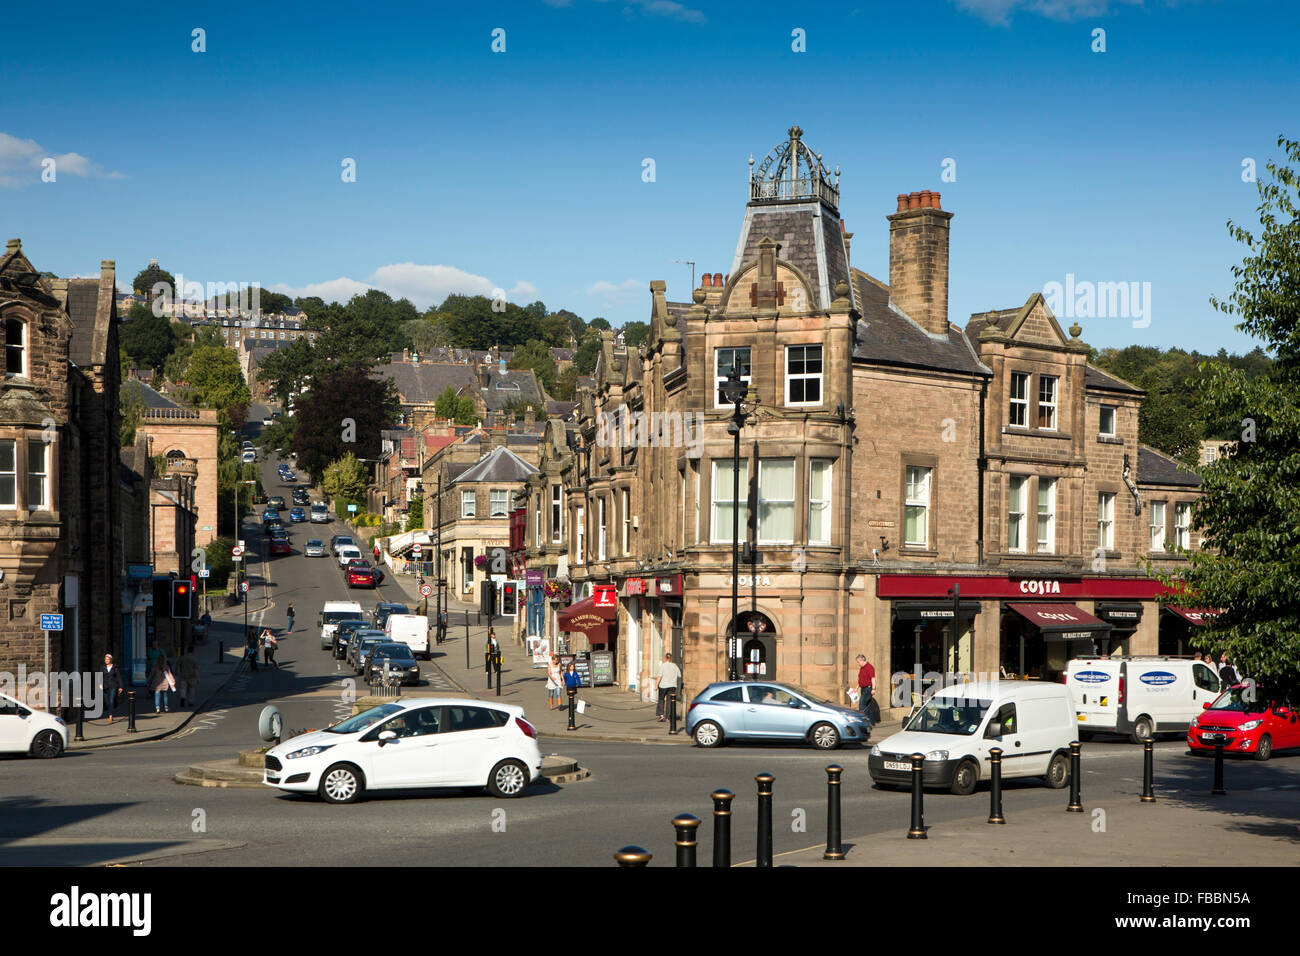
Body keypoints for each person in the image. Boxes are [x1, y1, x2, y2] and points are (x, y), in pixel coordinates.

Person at [655, 653, 681, 722]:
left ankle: (661, 715)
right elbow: (679, 675)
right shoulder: (675, 666)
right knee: (669, 701)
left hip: (663, 685)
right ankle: (668, 717)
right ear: (671, 658)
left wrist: (656, 685)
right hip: (672, 686)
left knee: (661, 699)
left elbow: (659, 676)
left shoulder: (663, 666)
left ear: (665, 658)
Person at [100, 653, 124, 724]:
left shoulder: (115, 667)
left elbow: (119, 677)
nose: (106, 660)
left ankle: (110, 715)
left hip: (113, 686)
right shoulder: (102, 667)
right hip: (105, 686)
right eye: (105, 659)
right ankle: (112, 709)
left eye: (108, 659)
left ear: (111, 660)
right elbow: (100, 676)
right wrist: (100, 684)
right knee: (107, 702)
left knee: (111, 701)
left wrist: (121, 686)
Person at [854, 654, 876, 728]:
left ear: (862, 660)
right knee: (868, 706)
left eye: (858, 662)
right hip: (863, 688)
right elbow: (860, 680)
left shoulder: (870, 667)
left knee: (862, 704)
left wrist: (873, 689)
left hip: (868, 688)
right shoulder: (862, 668)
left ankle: (862, 722)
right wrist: (856, 688)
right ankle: (871, 722)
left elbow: (873, 678)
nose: (858, 664)